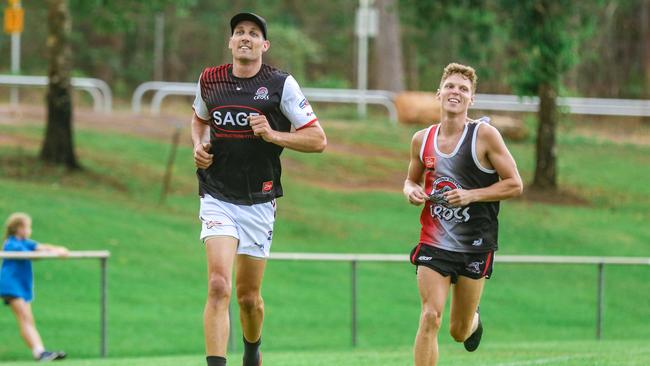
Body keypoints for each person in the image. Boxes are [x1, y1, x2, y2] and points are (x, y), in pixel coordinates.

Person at [191, 12, 326, 366]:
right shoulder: (210, 80)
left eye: (253, 33)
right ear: (231, 42)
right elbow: (199, 119)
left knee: (248, 297)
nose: (245, 37)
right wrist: (199, 146)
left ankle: (252, 350)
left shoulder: (281, 85)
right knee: (219, 285)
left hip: (259, 200)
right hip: (217, 194)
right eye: (239, 32)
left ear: (265, 45)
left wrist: (273, 134)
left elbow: (317, 139)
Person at [403, 63, 523, 366]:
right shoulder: (422, 139)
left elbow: (514, 184)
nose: (456, 92)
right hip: (434, 239)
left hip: (475, 243)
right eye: (451, 86)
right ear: (439, 93)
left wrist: (471, 195)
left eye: (463, 89)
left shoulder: (485, 136)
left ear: (472, 99)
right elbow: (411, 179)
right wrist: (411, 191)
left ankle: (472, 321)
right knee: (430, 316)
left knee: (458, 331)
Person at [0, 212, 69, 362]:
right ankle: (39, 352)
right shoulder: (11, 243)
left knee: (28, 319)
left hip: (22, 285)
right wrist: (53, 253)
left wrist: (58, 249)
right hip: (10, 284)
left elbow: (41, 247)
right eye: (27, 227)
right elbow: (32, 255)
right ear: (18, 228)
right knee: (23, 317)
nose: (29, 230)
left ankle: (41, 351)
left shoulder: (26, 242)